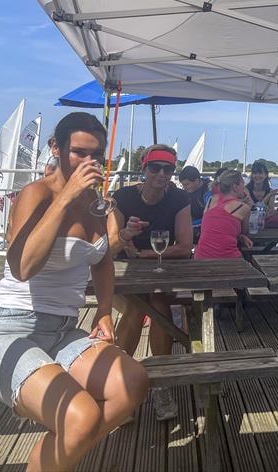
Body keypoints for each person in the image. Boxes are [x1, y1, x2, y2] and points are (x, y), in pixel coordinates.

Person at [0, 112, 149, 472]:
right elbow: (23, 267)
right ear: (55, 147)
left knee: (133, 382)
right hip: (8, 328)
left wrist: (102, 310)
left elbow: (101, 259)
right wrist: (65, 197)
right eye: (79, 152)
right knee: (80, 418)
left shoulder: (97, 204)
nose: (89, 163)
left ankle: (51, 459)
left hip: (63, 329)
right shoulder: (34, 195)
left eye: (96, 155)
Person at [107, 144, 193, 421]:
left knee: (157, 306)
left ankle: (161, 384)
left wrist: (143, 252)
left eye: (168, 169)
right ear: (143, 169)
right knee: (137, 307)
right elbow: (109, 247)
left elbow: (185, 246)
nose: (162, 173)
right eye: (155, 168)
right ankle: (121, 385)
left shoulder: (179, 199)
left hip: (162, 271)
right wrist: (125, 234)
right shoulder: (122, 197)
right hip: (126, 273)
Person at [194, 170, 253, 259]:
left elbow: (217, 227)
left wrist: (240, 236)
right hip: (227, 259)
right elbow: (245, 232)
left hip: (200, 257)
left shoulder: (210, 200)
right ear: (235, 187)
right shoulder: (243, 207)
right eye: (242, 184)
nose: (244, 188)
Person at [179, 165, 212, 236]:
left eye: (187, 184)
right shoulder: (187, 191)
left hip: (204, 228)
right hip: (192, 224)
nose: (184, 188)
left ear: (197, 181)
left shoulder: (208, 192)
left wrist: (190, 225)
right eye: (183, 185)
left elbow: (209, 217)